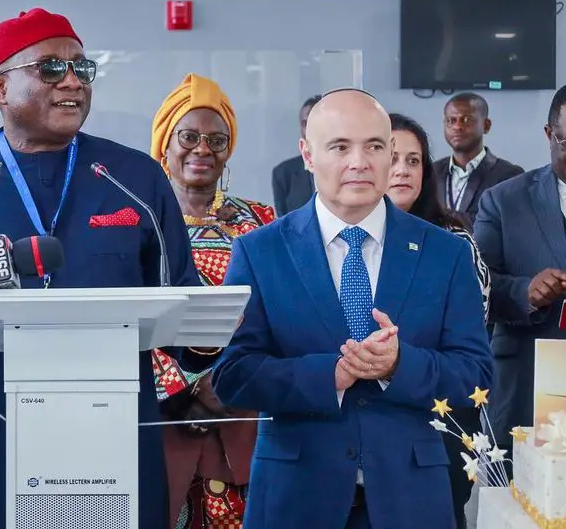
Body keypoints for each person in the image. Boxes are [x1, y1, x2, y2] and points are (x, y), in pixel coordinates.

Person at [0, 8, 204, 529]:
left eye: (81, 67)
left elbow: (183, 304)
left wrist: (210, 334)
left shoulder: (133, 178)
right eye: (51, 68)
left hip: (114, 447)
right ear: (0, 87)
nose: (72, 80)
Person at [212, 88, 493, 529]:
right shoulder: (260, 252)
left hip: (411, 500)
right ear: (308, 154)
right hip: (296, 497)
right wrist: (329, 375)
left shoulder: (445, 252)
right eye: (340, 147)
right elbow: (232, 375)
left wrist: (399, 365)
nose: (359, 162)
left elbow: (474, 373)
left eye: (375, 147)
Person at [150, 74, 274, 529]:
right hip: (160, 412)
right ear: (165, 144)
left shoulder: (261, 221)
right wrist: (184, 388)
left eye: (216, 140)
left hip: (241, 404)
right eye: (189, 137)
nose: (202, 149)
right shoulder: (135, 219)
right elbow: (127, 311)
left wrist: (221, 383)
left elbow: (275, 310)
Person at [386, 112, 492, 529]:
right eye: (392, 157)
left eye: (413, 161)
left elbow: (471, 337)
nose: (402, 170)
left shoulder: (454, 241)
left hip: (440, 414)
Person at [473, 84, 566, 470]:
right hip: (527, 382)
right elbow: (478, 288)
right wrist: (526, 292)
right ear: (549, 134)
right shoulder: (504, 200)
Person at [433, 92, 522, 227]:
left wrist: (440, 216)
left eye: (466, 120)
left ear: (486, 125)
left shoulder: (509, 175)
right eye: (451, 120)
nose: (457, 127)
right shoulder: (431, 171)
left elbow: (505, 223)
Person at [271, 95, 320, 216]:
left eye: (314, 122)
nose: (309, 128)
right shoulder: (283, 173)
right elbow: (283, 222)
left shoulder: (347, 166)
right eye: (304, 123)